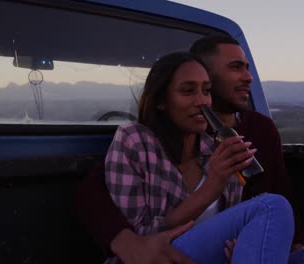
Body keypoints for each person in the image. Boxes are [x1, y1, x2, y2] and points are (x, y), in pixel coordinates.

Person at [76, 35, 304, 264]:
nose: (248, 77)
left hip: (230, 248)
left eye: (204, 91)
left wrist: (284, 243)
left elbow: (275, 189)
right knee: (270, 206)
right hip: (168, 249)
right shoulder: (142, 141)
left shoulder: (240, 135)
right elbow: (93, 191)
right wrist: (125, 241)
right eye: (236, 67)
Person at [102, 51, 294, 263]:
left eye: (206, 91)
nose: (202, 101)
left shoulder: (215, 149)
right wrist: (211, 187)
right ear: (161, 101)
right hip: (164, 256)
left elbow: (227, 226)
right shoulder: (135, 141)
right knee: (271, 206)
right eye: (188, 91)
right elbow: (138, 242)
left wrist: (241, 245)